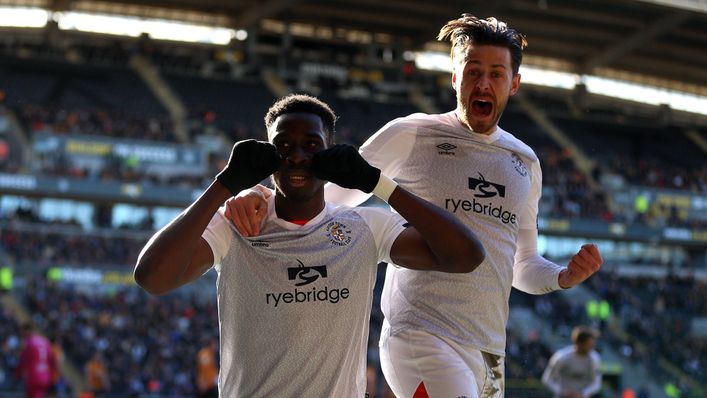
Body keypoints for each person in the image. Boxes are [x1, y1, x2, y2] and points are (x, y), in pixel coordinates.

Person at [225, 14, 604, 397]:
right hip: (420, 335)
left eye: (496, 74)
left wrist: (561, 277)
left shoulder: (526, 163)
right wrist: (259, 196)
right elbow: (324, 194)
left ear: (514, 83)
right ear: (455, 77)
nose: (483, 83)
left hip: (488, 350)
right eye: (473, 72)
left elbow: (520, 266)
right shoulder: (413, 133)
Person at [133, 94, 485, 397]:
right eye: (283, 145)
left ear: (329, 153)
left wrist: (376, 182)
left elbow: (466, 256)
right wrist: (224, 184)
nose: (297, 155)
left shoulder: (365, 227)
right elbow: (152, 277)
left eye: (311, 145)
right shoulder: (238, 224)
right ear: (267, 155)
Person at [542, 326, 602, 398]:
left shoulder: (594, 359)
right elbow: (547, 379)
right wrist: (563, 392)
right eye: (589, 344)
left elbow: (597, 383)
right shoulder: (561, 357)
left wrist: (583, 393)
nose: (591, 347)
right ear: (579, 343)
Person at [15, 323, 57, 398]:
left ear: (26, 331)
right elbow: (52, 361)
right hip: (45, 376)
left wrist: (17, 374)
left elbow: (23, 360)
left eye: (22, 332)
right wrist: (52, 377)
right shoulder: (45, 342)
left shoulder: (29, 343)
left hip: (34, 376)